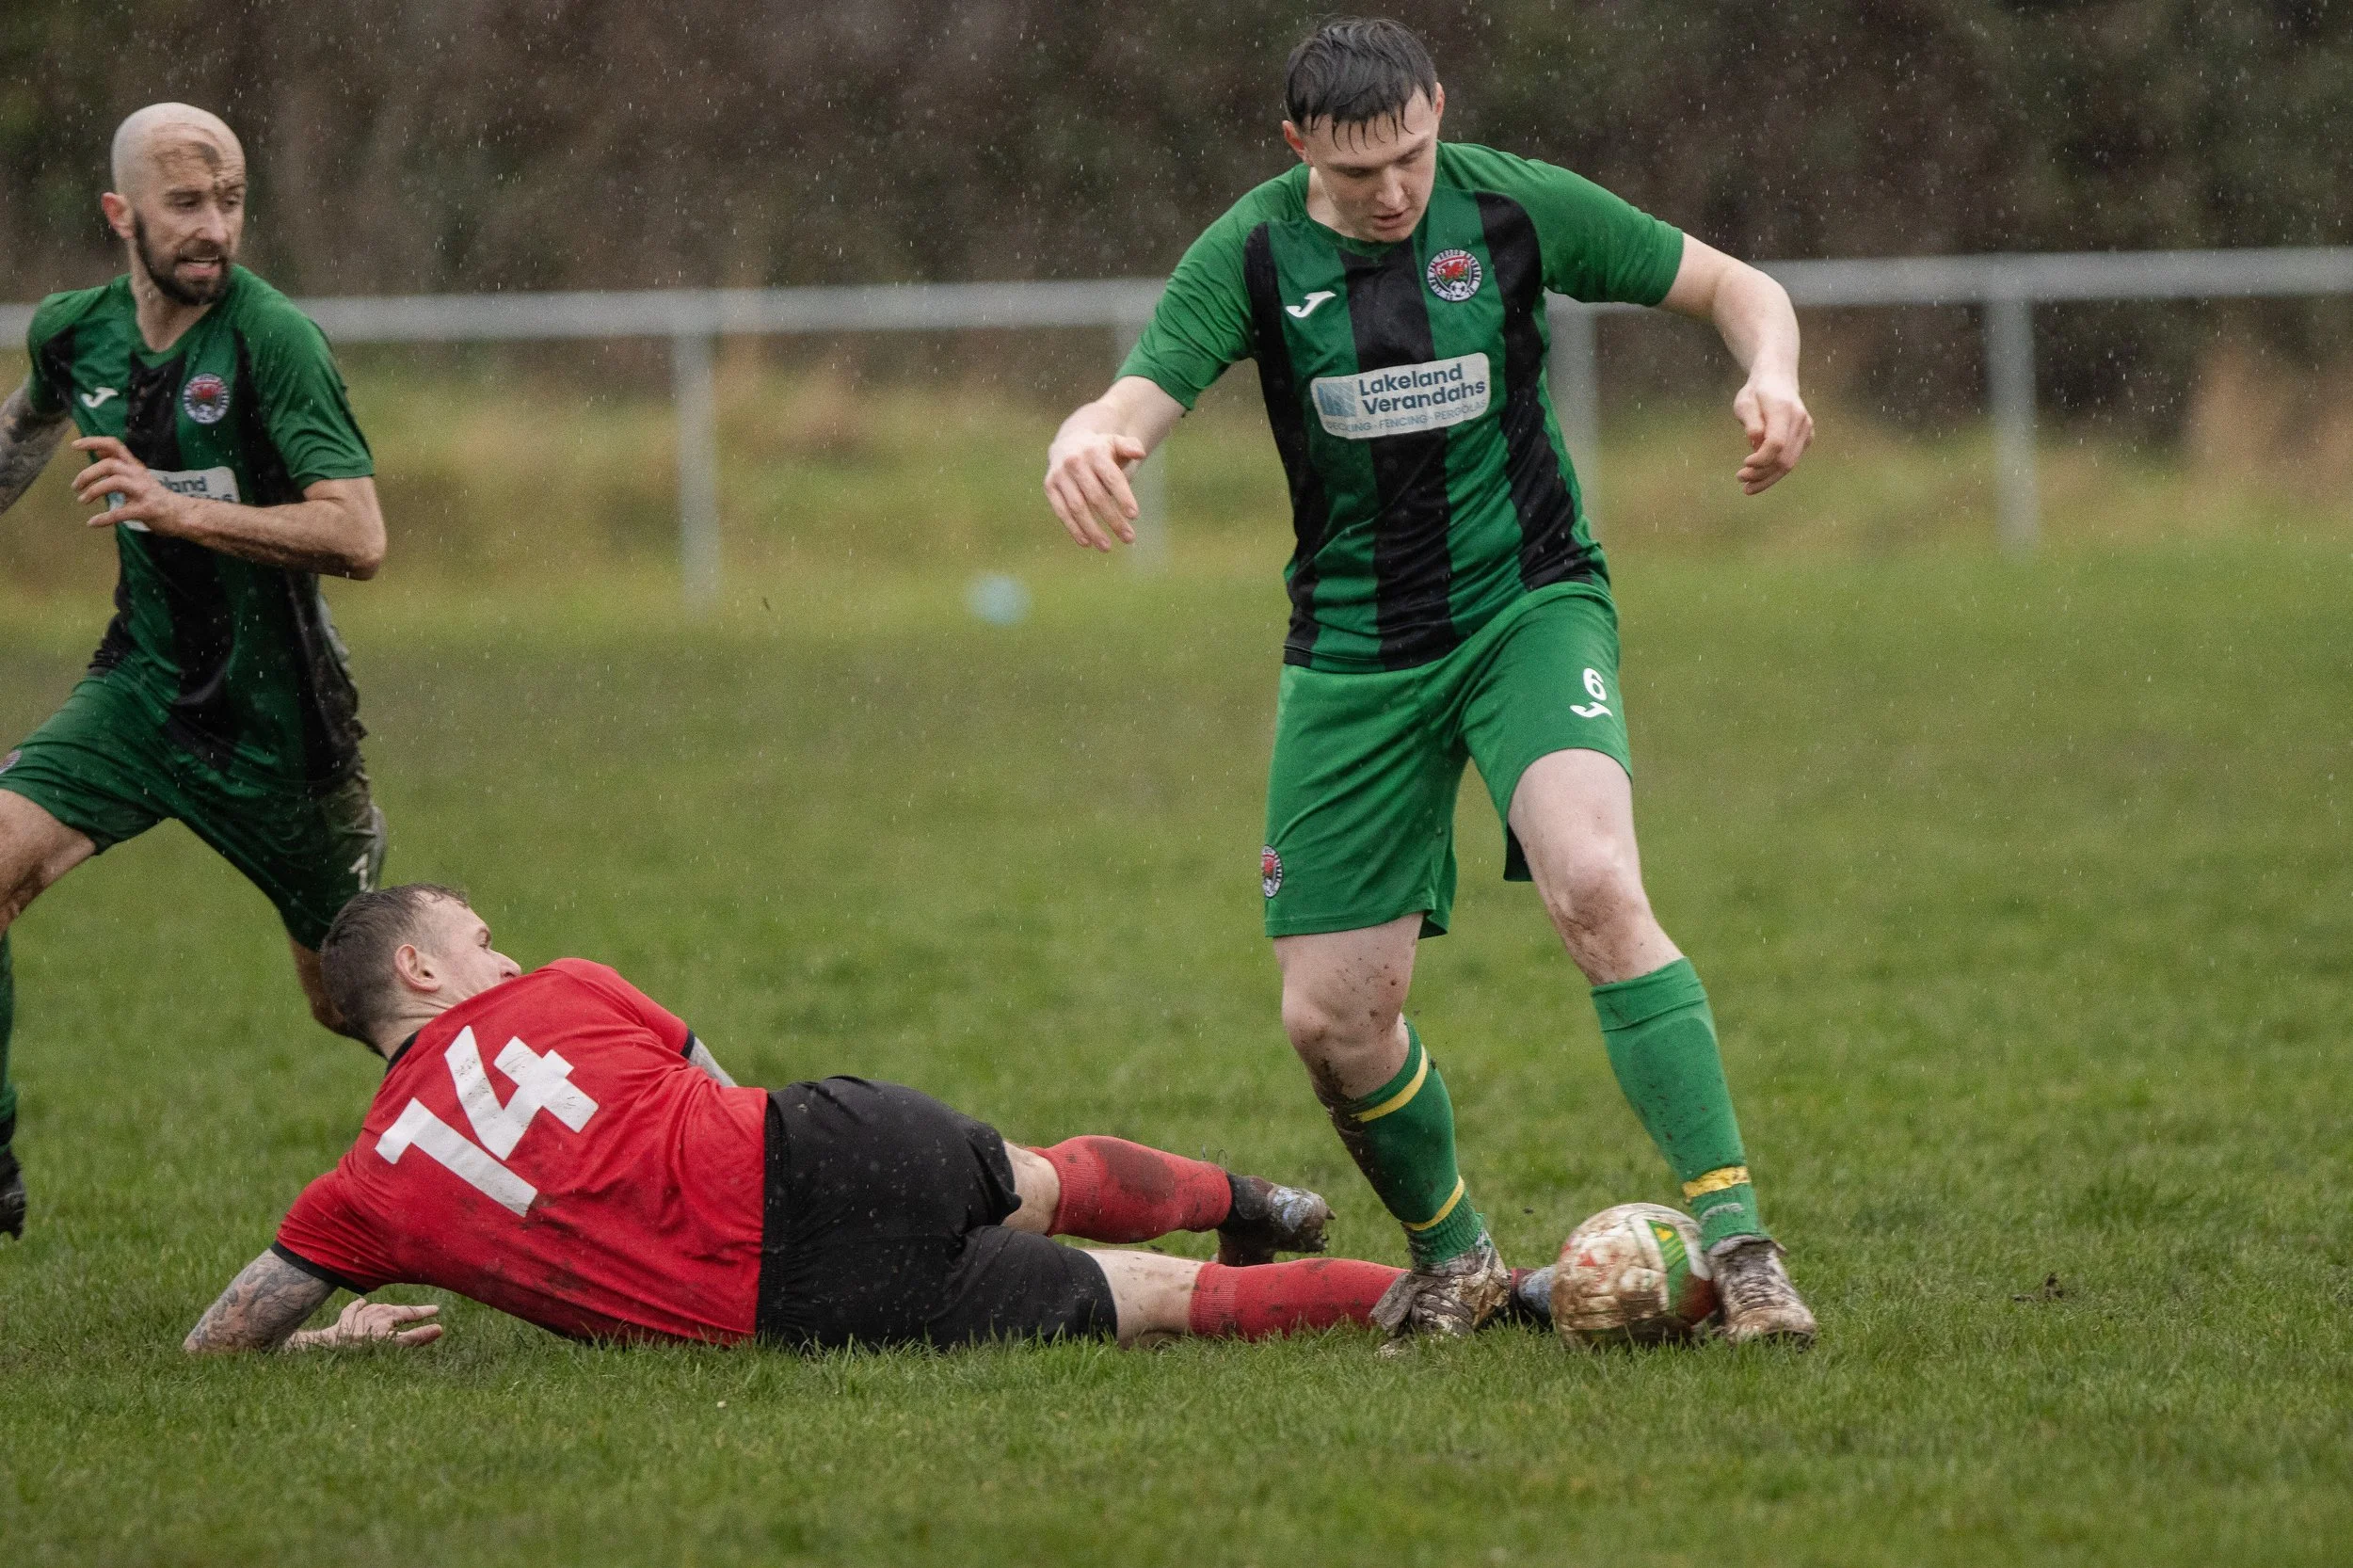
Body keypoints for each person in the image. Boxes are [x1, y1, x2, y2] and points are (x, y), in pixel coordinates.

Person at [1041, 18, 1817, 1348]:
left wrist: (1775, 375)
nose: (1393, 191)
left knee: (1594, 881)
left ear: (1438, 112)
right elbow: (1139, 393)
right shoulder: (1253, 252)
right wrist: (1091, 434)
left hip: (1529, 608)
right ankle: (1455, 1254)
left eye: (1410, 156)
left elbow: (1735, 285)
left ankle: (1744, 1250)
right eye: (1357, 177)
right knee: (1333, 1016)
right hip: (1353, 654)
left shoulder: (1510, 203)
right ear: (1298, 151)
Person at [182, 884, 1416, 1355]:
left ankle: (1487, 1294)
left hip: (789, 1305)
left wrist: (325, 1342)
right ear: (422, 967)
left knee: (1157, 1301)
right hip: (814, 1144)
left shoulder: (357, 1195)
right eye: (476, 937)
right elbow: (714, 1081)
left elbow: (216, 1342)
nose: (500, 950)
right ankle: (1260, 1203)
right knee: (1034, 1179)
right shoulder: (562, 984)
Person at [0, 104, 389, 1240]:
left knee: (363, 1005)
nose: (214, 227)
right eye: (186, 204)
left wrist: (179, 508)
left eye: (230, 202)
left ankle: (590, 1141)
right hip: (139, 694)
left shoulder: (273, 339)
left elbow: (359, 535)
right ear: (121, 214)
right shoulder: (75, 331)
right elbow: (24, 432)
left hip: (283, 731)